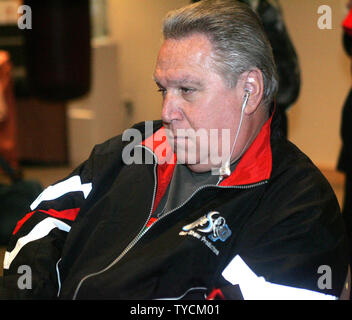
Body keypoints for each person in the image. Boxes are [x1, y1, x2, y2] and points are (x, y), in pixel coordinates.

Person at [1, 0, 350, 300]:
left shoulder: (300, 207)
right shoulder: (135, 149)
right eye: (163, 90)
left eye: (186, 89)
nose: (167, 112)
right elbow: (42, 221)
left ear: (250, 89)